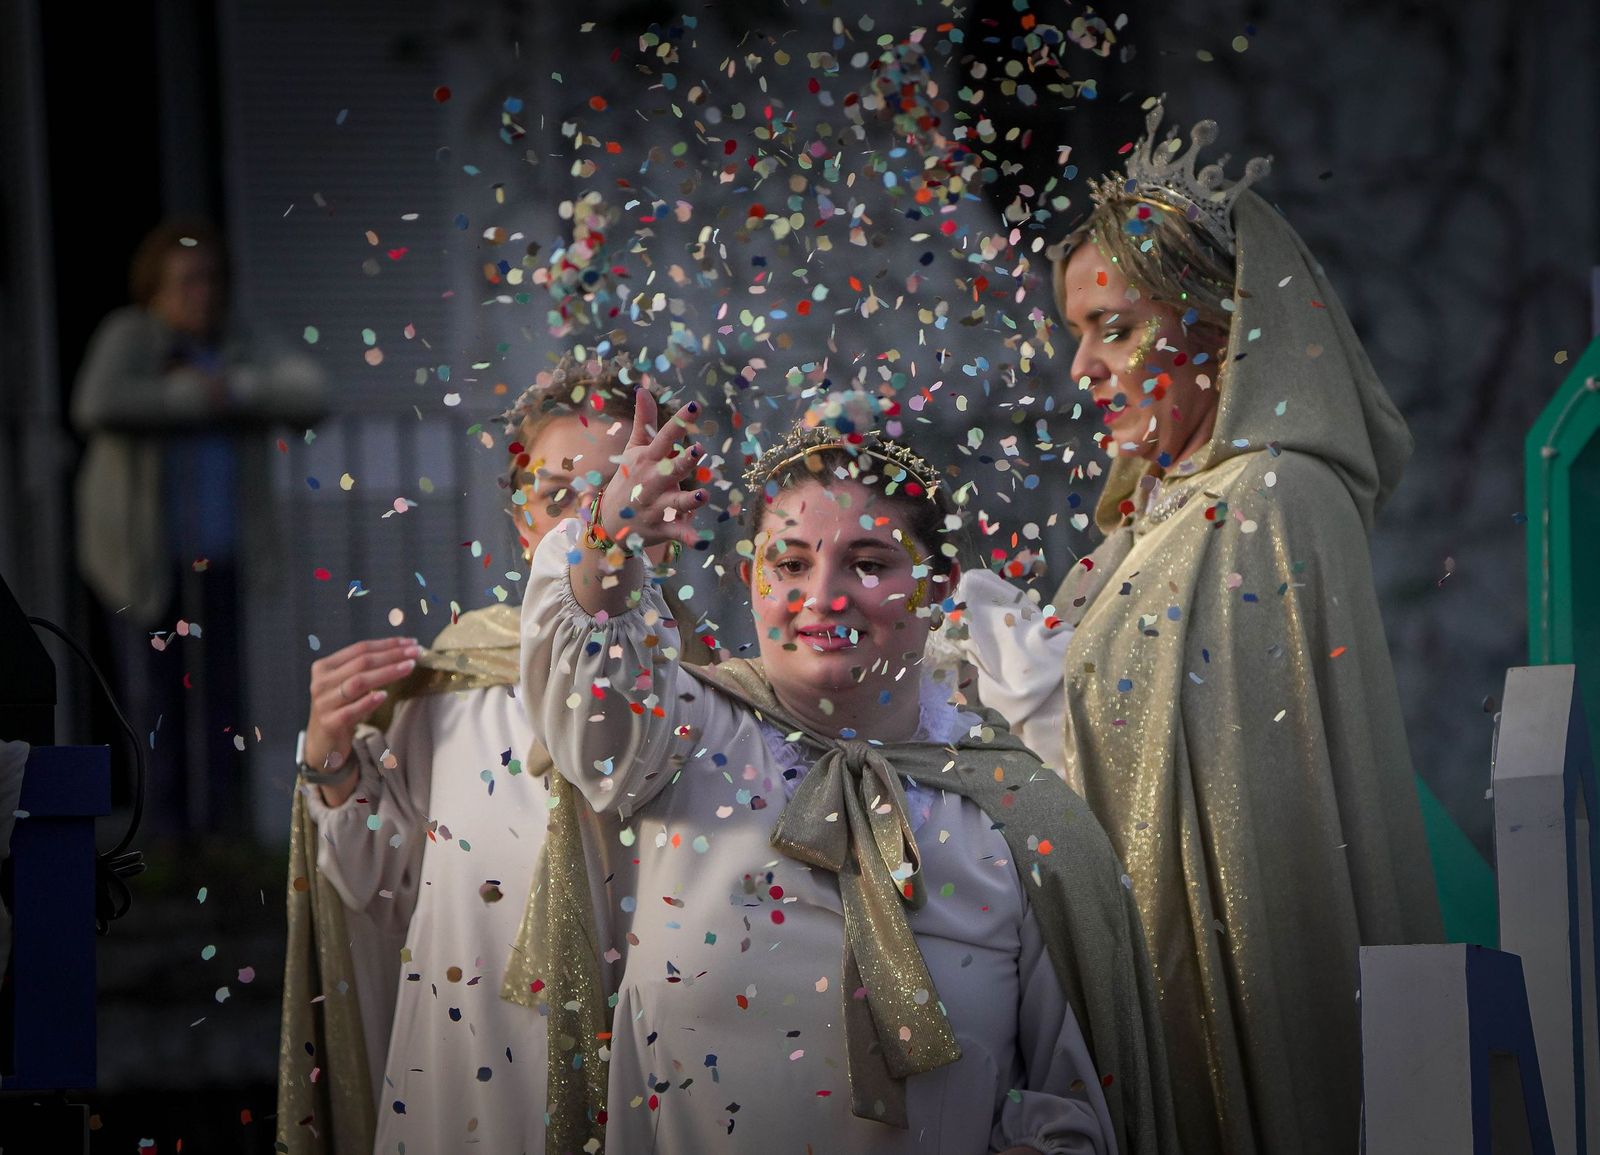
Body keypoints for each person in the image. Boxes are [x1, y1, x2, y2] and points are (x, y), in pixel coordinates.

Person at [940, 104, 1443, 1153]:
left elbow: (1250, 800)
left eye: (1112, 329)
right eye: (1075, 334)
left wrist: (1045, 700)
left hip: (1231, 982)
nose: (1081, 371)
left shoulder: (1269, 499)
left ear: (1218, 324)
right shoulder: (1151, 525)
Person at [519, 389, 1180, 1154]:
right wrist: (607, 546)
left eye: (867, 562)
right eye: (790, 562)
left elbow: (1075, 1104)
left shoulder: (1015, 814)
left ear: (936, 583)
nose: (822, 596)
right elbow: (588, 709)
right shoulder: (678, 741)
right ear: (751, 579)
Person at [276, 356, 703, 1154]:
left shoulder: (706, 700)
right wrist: (333, 768)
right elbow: (382, 880)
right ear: (522, 524)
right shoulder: (452, 688)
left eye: (617, 492)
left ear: (667, 510)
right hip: (467, 1058)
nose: (590, 518)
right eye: (560, 498)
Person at [72, 218, 325, 835]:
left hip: (222, 556)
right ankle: (159, 845)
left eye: (211, 280)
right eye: (186, 281)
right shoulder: (130, 336)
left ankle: (224, 842)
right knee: (154, 704)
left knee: (222, 707)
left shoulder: (237, 340)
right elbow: (94, 403)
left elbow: (311, 390)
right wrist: (182, 400)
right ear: (155, 288)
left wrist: (235, 389)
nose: (201, 294)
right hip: (143, 562)